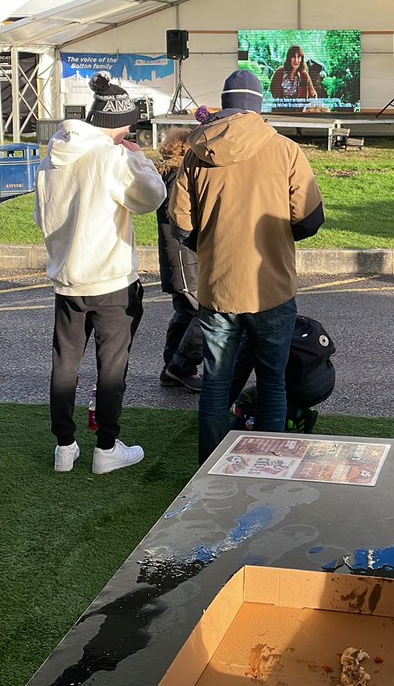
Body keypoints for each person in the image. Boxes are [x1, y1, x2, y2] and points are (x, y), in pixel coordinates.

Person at [169, 69, 325, 464]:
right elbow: (309, 219)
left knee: (216, 385)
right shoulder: (286, 150)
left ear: (224, 104)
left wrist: (212, 244)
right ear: (258, 107)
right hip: (271, 287)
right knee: (273, 382)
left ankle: (207, 470)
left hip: (218, 287)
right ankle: (265, 468)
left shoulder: (196, 154)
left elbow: (181, 224)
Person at [34, 73, 166, 474]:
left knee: (64, 363)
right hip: (110, 280)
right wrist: (136, 156)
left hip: (67, 277)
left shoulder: (53, 154)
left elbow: (43, 215)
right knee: (111, 367)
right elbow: (152, 197)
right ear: (122, 125)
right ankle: (106, 448)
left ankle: (64, 446)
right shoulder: (112, 157)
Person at [155, 127, 203, 392]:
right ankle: (181, 367)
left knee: (184, 313)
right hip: (184, 256)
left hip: (178, 257)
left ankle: (171, 368)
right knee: (204, 313)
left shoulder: (166, 175)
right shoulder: (177, 178)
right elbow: (181, 219)